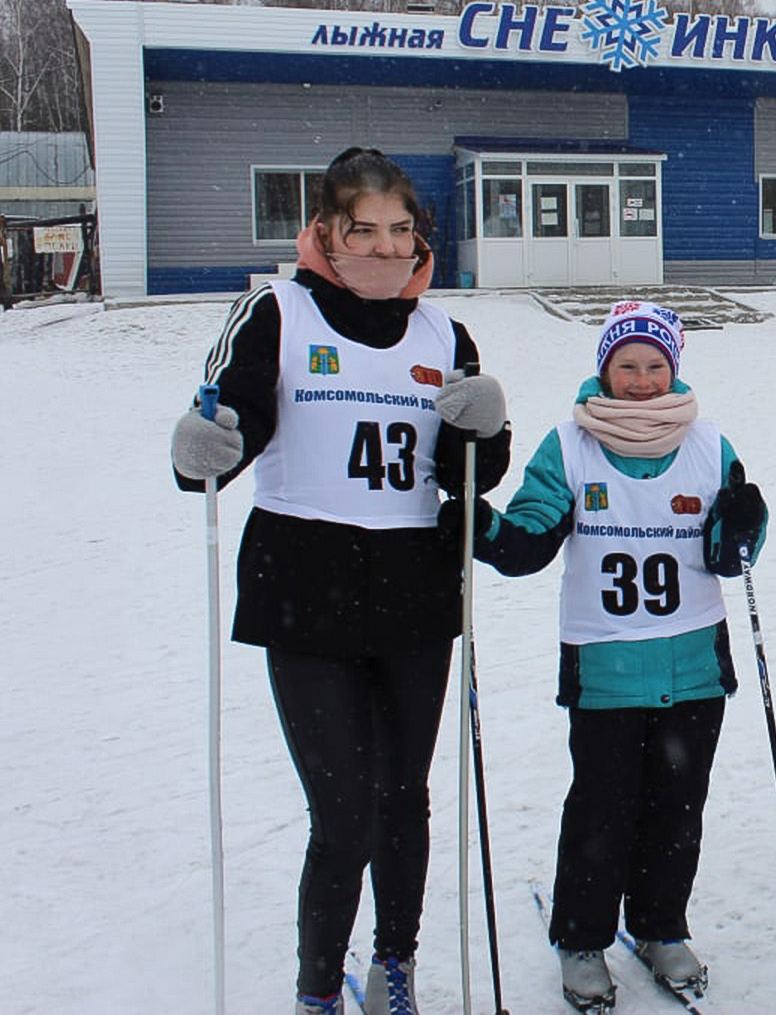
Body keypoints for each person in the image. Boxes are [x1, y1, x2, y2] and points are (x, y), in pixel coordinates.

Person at [169, 146, 514, 1015]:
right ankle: (318, 987)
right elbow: (228, 424)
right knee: (345, 814)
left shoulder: (444, 332)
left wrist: (487, 436)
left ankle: (394, 965)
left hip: (413, 592)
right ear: (324, 231)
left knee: (404, 801)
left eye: (402, 231)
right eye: (364, 230)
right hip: (305, 586)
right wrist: (204, 450)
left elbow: (468, 473)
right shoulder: (278, 313)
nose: (385, 248)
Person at [453, 300, 768, 1011]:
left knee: (677, 808)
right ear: (604, 368)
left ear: (673, 368)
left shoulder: (708, 444)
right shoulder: (569, 446)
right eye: (627, 365)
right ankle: (583, 938)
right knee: (601, 809)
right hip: (606, 668)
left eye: (656, 365)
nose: (642, 379)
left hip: (692, 665)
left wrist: (747, 523)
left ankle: (661, 927)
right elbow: (532, 538)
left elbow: (733, 548)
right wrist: (486, 531)